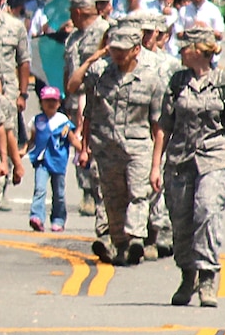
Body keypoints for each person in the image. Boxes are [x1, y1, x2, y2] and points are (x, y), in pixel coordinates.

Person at [150, 25, 225, 309]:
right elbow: (163, 127)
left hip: (214, 157)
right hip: (180, 159)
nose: (180, 53)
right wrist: (156, 165)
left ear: (199, 51)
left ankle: (207, 277)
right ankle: (187, 275)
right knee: (180, 219)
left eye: (185, 48)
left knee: (206, 211)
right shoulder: (177, 81)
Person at [75, 25, 163, 265]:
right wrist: (85, 147)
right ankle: (120, 244)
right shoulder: (99, 74)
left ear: (136, 50)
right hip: (106, 148)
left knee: (138, 193)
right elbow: (87, 110)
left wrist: (156, 163)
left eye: (123, 50)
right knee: (113, 199)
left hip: (138, 147)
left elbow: (158, 125)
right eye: (113, 49)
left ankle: (136, 237)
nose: (117, 54)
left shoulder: (151, 79)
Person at [27, 88, 74, 233]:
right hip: (42, 160)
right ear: (41, 102)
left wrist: (82, 150)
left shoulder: (63, 121)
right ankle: (37, 217)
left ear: (59, 103)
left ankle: (58, 219)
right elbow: (33, 140)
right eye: (47, 101)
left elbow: (71, 138)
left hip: (57, 161)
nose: (51, 104)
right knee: (40, 189)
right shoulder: (37, 120)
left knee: (58, 192)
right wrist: (24, 149)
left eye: (54, 101)